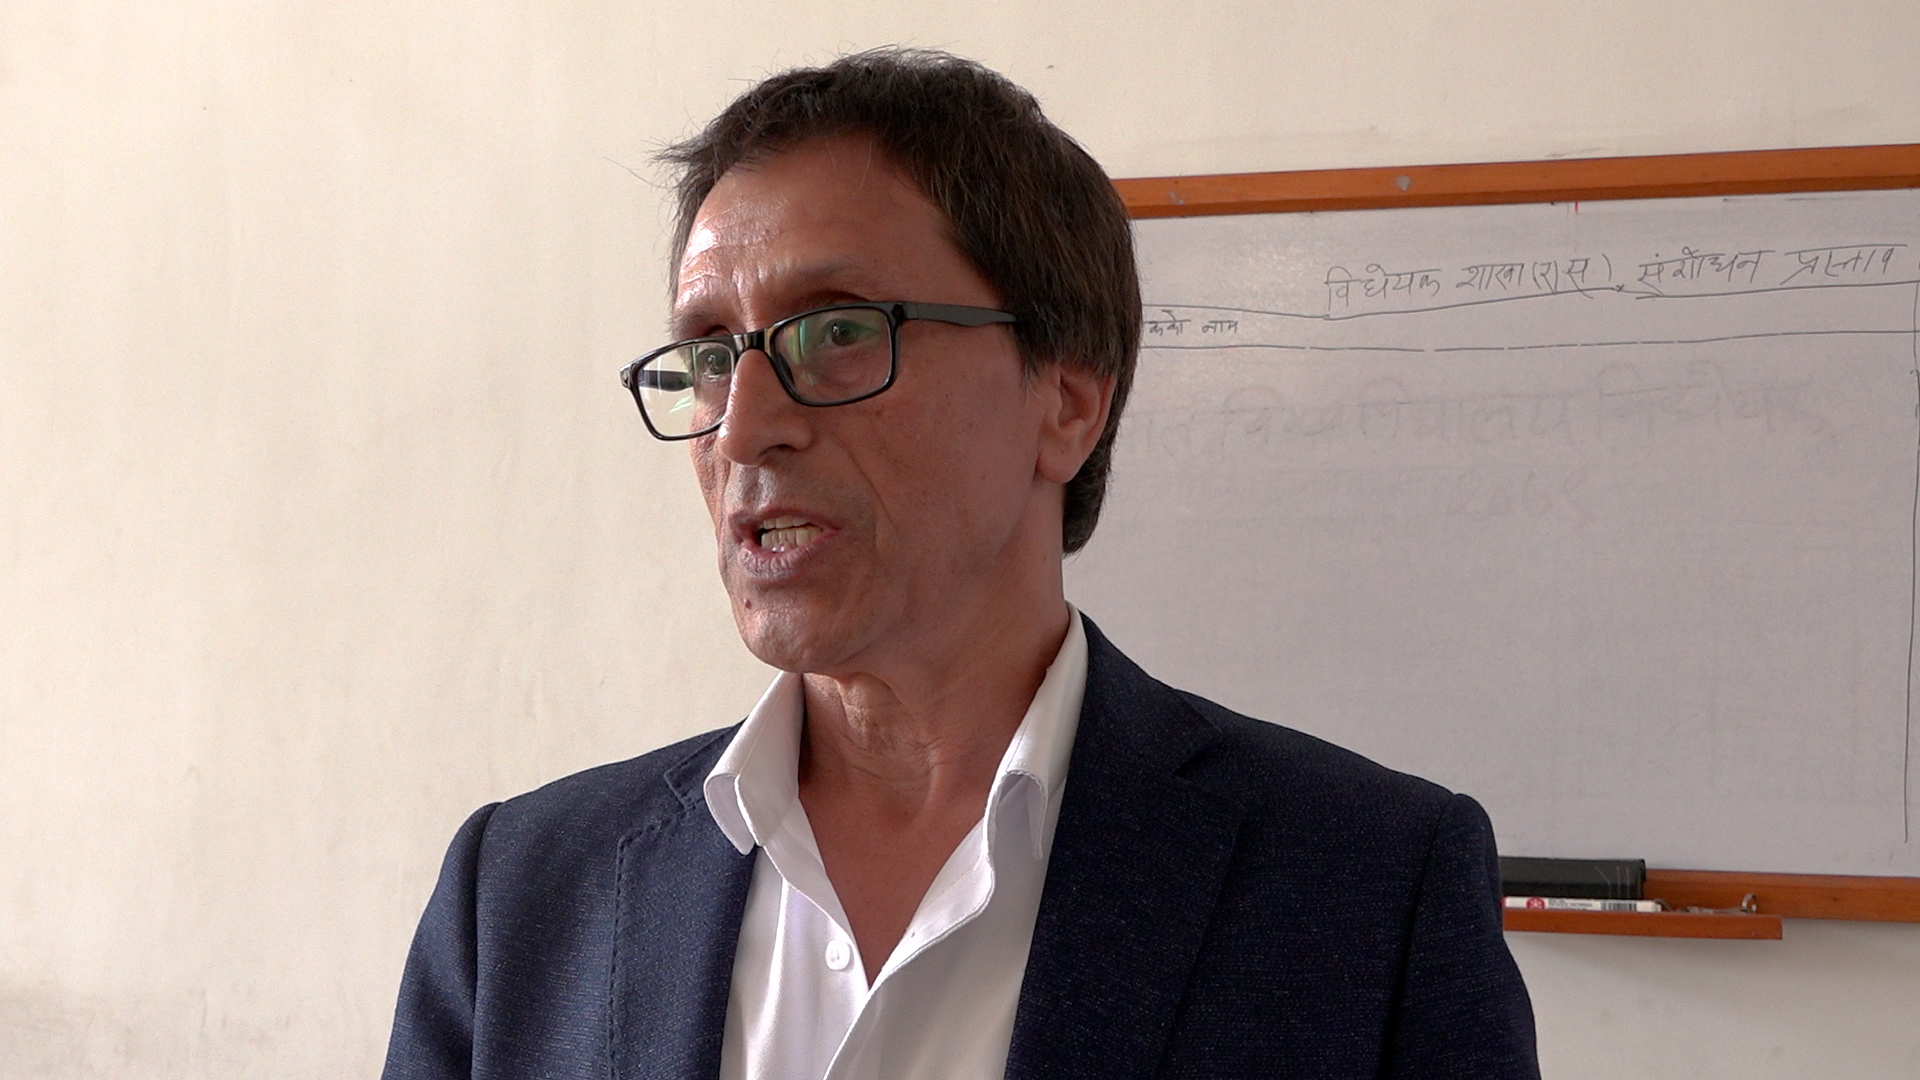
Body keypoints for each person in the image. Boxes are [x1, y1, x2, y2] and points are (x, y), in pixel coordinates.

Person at [382, 48, 1539, 1080]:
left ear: (1069, 400)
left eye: (840, 332)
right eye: (710, 355)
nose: (745, 429)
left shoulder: (1367, 889)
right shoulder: (522, 892)